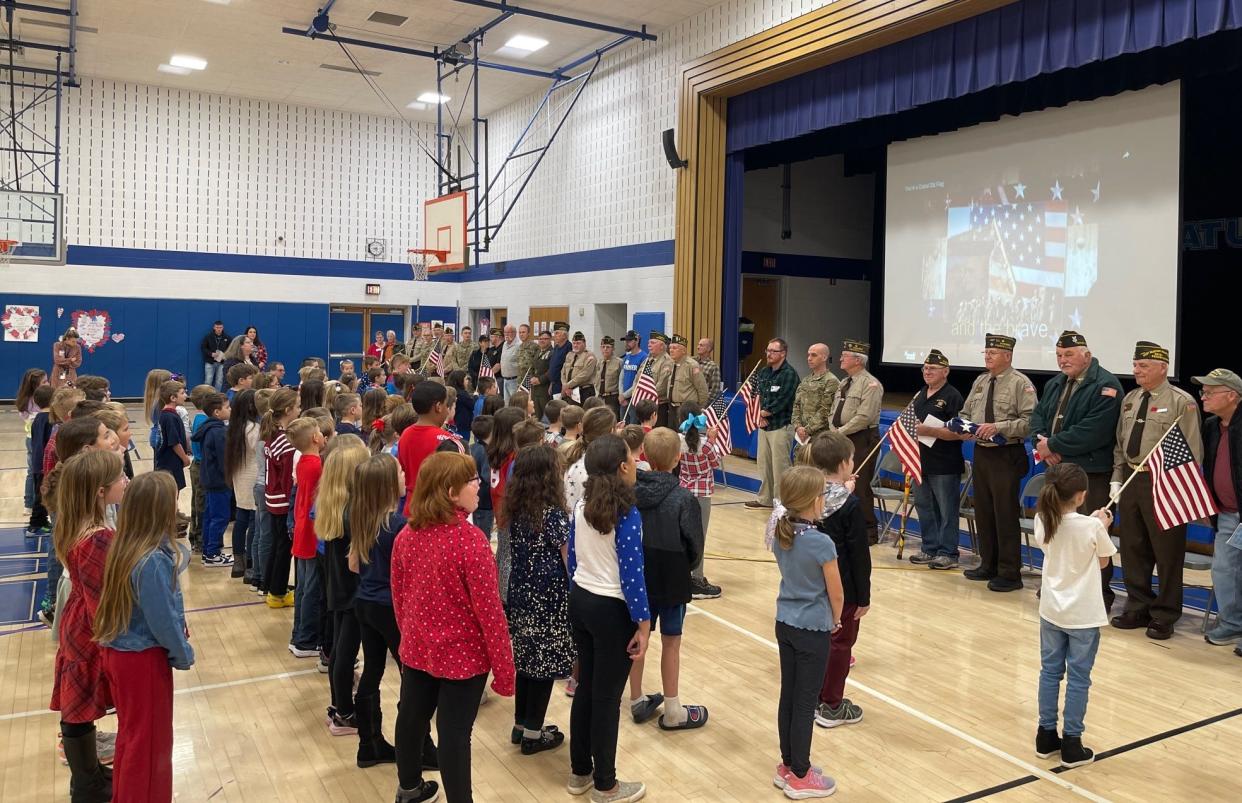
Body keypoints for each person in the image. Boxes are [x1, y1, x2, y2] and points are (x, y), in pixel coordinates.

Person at [391, 451, 515, 803]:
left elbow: (399, 598)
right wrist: (505, 672)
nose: (479, 484)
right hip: (463, 659)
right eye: (472, 480)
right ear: (450, 491)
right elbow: (490, 615)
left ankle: (409, 788)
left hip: (417, 651)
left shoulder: (407, 535)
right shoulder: (470, 542)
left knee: (412, 718)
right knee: (455, 735)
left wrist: (410, 639)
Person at [95, 470, 194, 803]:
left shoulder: (126, 547)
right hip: (142, 661)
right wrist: (182, 653)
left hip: (121, 656)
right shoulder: (151, 559)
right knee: (150, 747)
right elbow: (163, 620)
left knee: (133, 739)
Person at [566, 434, 651, 802]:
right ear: (621, 467)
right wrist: (644, 624)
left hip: (581, 599)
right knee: (606, 699)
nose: (635, 464)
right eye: (632, 459)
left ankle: (580, 773)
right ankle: (606, 784)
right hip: (611, 608)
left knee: (586, 689)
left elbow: (571, 553)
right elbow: (633, 574)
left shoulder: (582, 503)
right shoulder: (627, 513)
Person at [348, 453, 439, 771]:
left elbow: (353, 563)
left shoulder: (362, 516)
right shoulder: (399, 525)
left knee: (372, 672)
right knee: (414, 679)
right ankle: (422, 748)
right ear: (388, 484)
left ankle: (369, 745)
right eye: (401, 471)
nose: (405, 475)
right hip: (393, 609)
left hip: (366, 603)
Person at [1108, 341, 1202, 639]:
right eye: (1135, 365)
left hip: (1165, 482)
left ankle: (1165, 614)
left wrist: (1174, 487)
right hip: (1133, 477)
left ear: (1163, 368)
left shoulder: (1180, 401)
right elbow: (1121, 444)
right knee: (1133, 548)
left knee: (1167, 552)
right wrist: (1116, 477)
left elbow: (1191, 449)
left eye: (1144, 365)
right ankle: (1138, 605)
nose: (1137, 370)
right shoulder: (1131, 399)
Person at [51, 449, 127, 802]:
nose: (125, 482)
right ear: (100, 491)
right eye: (119, 478)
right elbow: (102, 598)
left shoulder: (75, 520)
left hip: (75, 617)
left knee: (76, 702)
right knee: (79, 705)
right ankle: (86, 784)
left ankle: (90, 773)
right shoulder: (97, 536)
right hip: (88, 625)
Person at [1031, 463, 1117, 769]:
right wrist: (1102, 525)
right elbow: (1104, 562)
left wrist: (1091, 523)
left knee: (1050, 672)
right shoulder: (1091, 527)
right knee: (1079, 678)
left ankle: (1045, 735)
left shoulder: (1043, 518)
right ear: (1081, 496)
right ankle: (1072, 743)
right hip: (1083, 614)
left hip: (1052, 609)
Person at [1029, 331, 1123, 609]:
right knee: (1056, 531)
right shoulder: (1056, 383)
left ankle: (1099, 595)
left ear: (1086, 354)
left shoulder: (1106, 384)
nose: (1062, 360)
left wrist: (1053, 445)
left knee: (1093, 534)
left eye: (1068, 354)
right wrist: (1041, 444)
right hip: (1057, 471)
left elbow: (1095, 430)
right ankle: (1056, 585)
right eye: (1059, 355)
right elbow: (1038, 417)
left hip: (1091, 473)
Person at [771, 465, 843, 798]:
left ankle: (788, 763)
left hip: (785, 622)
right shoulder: (821, 543)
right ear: (812, 501)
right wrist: (837, 618)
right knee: (805, 702)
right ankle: (800, 773)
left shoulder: (780, 532)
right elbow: (836, 592)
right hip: (812, 627)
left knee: (790, 694)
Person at [628, 428, 707, 731]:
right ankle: (673, 709)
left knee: (639, 637)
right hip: (673, 575)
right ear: (677, 458)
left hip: (640, 575)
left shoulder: (631, 491)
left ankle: (636, 699)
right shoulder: (684, 498)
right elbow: (695, 546)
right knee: (671, 643)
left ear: (645, 455)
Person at [503, 444, 574, 754]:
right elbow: (567, 558)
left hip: (521, 592)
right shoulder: (552, 513)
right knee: (544, 664)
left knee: (526, 661)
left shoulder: (515, 508)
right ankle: (534, 734)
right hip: (549, 596)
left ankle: (521, 724)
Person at [960, 333, 1037, 592]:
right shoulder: (981, 381)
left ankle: (1009, 572)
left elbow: (1029, 422)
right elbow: (966, 412)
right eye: (986, 352)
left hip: (1006, 454)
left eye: (993, 352)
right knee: (984, 511)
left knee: (1005, 514)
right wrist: (965, 426)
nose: (988, 356)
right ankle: (988, 564)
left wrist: (998, 426)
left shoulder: (1020, 383)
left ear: (1008, 356)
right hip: (982, 452)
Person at [315, 435, 372, 738]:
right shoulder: (353, 513)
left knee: (340, 650)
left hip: (338, 587)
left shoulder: (333, 503)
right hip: (352, 591)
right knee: (345, 652)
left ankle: (338, 707)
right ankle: (344, 713)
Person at [1195, 369, 1242, 648]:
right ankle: (1233, 623)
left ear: (1232, 395)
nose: (1204, 396)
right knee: (1224, 569)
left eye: (1211, 391)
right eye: (1204, 391)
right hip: (1226, 513)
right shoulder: (1211, 426)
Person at [908, 350, 966, 570]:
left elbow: (961, 432)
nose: (927, 372)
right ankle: (929, 548)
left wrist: (930, 431)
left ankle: (948, 552)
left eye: (933, 368)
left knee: (946, 509)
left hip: (944, 462)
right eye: (925, 368)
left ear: (946, 371)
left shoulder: (953, 396)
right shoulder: (920, 394)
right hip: (920, 460)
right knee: (924, 506)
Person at [826, 339, 883, 544]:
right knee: (839, 481)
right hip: (842, 437)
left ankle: (869, 531)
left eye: (845, 355)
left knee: (858, 483)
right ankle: (845, 525)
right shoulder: (844, 382)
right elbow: (834, 410)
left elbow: (864, 417)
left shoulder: (871, 384)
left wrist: (840, 432)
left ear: (857, 360)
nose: (840, 357)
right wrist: (834, 430)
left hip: (862, 438)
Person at [745, 338, 800, 511]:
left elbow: (785, 399)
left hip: (780, 425)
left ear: (783, 353)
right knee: (764, 464)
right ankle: (765, 498)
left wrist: (764, 412)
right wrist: (757, 414)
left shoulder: (789, 374)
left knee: (780, 466)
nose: (768, 354)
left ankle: (782, 501)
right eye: (767, 350)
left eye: (773, 351)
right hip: (763, 425)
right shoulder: (764, 372)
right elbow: (756, 394)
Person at [675, 403, 723, 599]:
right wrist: (712, 440)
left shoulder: (678, 441)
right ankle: (697, 578)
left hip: (684, 491)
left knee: (684, 535)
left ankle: (682, 575)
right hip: (702, 494)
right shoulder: (707, 445)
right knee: (699, 537)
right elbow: (716, 463)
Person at [396, 381, 466, 514]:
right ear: (438, 407)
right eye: (446, 405)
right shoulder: (448, 440)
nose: (447, 409)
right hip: (439, 511)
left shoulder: (405, 434)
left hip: (412, 508)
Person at [288, 417, 326, 655]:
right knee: (311, 588)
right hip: (311, 532)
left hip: (302, 528)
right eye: (320, 432)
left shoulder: (304, 460)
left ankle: (299, 635)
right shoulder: (315, 465)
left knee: (303, 587)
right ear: (315, 438)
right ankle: (306, 639)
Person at [262, 387, 301, 608]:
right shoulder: (286, 442)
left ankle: (271, 586)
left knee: (278, 546)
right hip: (282, 501)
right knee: (283, 549)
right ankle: (277, 592)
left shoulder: (274, 434)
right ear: (288, 410)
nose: (299, 410)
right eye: (297, 407)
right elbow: (287, 479)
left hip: (272, 498)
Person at [191, 392, 234, 567]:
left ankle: (209, 551)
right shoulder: (218, 432)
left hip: (210, 479)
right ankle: (213, 553)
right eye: (227, 407)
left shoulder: (208, 427)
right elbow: (225, 459)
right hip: (219, 481)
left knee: (209, 516)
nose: (230, 410)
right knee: (220, 517)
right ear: (217, 412)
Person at [792, 343, 839, 449]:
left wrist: (807, 430)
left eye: (814, 355)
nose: (809, 358)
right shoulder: (806, 380)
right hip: (801, 437)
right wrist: (798, 426)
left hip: (819, 437)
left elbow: (826, 410)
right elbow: (796, 405)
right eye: (808, 355)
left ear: (824, 357)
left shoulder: (831, 381)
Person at [153, 380, 191, 491]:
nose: (186, 395)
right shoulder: (170, 417)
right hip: (170, 462)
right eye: (183, 393)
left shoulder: (167, 414)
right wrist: (185, 458)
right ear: (173, 398)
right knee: (172, 490)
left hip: (169, 460)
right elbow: (174, 442)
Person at [666, 335, 709, 427]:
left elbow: (702, 389)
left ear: (683, 351)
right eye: (670, 347)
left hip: (687, 410)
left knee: (686, 437)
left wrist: (697, 408)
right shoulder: (671, 364)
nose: (671, 350)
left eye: (675, 348)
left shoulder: (692, 365)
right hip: (672, 409)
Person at [469, 416, 495, 538]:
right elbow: (488, 476)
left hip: (475, 497)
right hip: (485, 500)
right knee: (484, 534)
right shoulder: (486, 452)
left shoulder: (472, 447)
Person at [561, 331, 600, 404]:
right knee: (571, 413)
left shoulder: (589, 356)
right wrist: (565, 385)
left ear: (584, 343)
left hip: (584, 391)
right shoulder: (570, 355)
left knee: (583, 414)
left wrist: (568, 385)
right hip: (569, 391)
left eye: (578, 343)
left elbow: (585, 375)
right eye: (574, 343)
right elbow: (563, 371)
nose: (575, 345)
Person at [617, 331, 647, 419]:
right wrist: (621, 394)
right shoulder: (626, 357)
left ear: (637, 341)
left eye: (629, 341)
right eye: (626, 341)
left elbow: (639, 382)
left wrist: (624, 395)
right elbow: (621, 378)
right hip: (623, 399)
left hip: (635, 399)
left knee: (633, 427)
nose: (626, 343)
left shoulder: (644, 357)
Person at [596, 335, 623, 418]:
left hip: (612, 397)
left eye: (608, 347)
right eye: (603, 347)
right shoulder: (599, 362)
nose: (605, 349)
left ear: (613, 348)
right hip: (600, 396)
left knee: (612, 420)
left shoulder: (619, 362)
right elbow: (596, 379)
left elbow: (621, 380)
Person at [529, 330, 554, 420]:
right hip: (535, 389)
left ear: (550, 339)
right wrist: (532, 378)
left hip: (545, 388)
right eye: (540, 339)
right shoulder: (538, 352)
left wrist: (540, 380)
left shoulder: (552, 353)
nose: (542, 341)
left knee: (546, 415)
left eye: (545, 339)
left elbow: (551, 370)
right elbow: (532, 367)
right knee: (535, 414)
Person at [200, 321, 230, 391]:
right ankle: (206, 396)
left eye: (220, 327)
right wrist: (211, 354)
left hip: (222, 363)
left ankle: (216, 397)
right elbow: (203, 348)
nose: (219, 329)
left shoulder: (227, 338)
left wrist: (225, 355)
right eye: (217, 327)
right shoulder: (208, 337)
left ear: (223, 328)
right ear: (214, 327)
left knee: (219, 381)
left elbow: (231, 349)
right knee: (208, 380)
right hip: (210, 362)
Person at [548, 322, 573, 402]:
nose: (554, 335)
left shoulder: (569, 347)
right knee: (555, 409)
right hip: (555, 384)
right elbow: (553, 367)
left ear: (564, 335)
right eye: (554, 333)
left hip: (562, 385)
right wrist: (551, 383)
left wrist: (565, 387)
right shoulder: (556, 347)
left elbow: (568, 370)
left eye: (557, 333)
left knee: (561, 409)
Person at [514, 323, 540, 396]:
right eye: (520, 332)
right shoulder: (520, 346)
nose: (521, 334)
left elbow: (537, 364)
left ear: (528, 333)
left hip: (529, 381)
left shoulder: (535, 346)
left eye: (523, 332)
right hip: (520, 380)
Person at [498, 324, 521, 398]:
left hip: (514, 380)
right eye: (505, 332)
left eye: (509, 332)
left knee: (514, 403)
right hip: (505, 379)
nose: (506, 334)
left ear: (514, 333)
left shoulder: (519, 345)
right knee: (506, 404)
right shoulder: (504, 344)